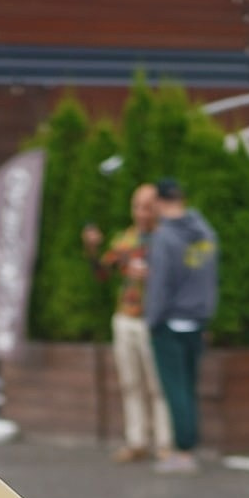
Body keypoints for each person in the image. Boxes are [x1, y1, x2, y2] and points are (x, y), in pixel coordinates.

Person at [82, 185, 172, 464]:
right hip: (126, 318)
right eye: (137, 206)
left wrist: (155, 277)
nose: (142, 213)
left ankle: (165, 443)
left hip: (155, 321)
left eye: (147, 206)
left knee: (159, 385)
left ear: (158, 207)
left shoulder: (167, 240)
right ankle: (137, 441)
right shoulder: (127, 240)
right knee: (131, 383)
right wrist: (92, 248)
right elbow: (102, 273)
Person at [144, 178, 219, 474]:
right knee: (188, 387)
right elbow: (208, 279)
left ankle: (183, 451)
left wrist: (152, 321)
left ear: (161, 202)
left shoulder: (164, 238)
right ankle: (188, 446)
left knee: (175, 389)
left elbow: (160, 286)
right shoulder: (206, 233)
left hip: (169, 324)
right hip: (197, 321)